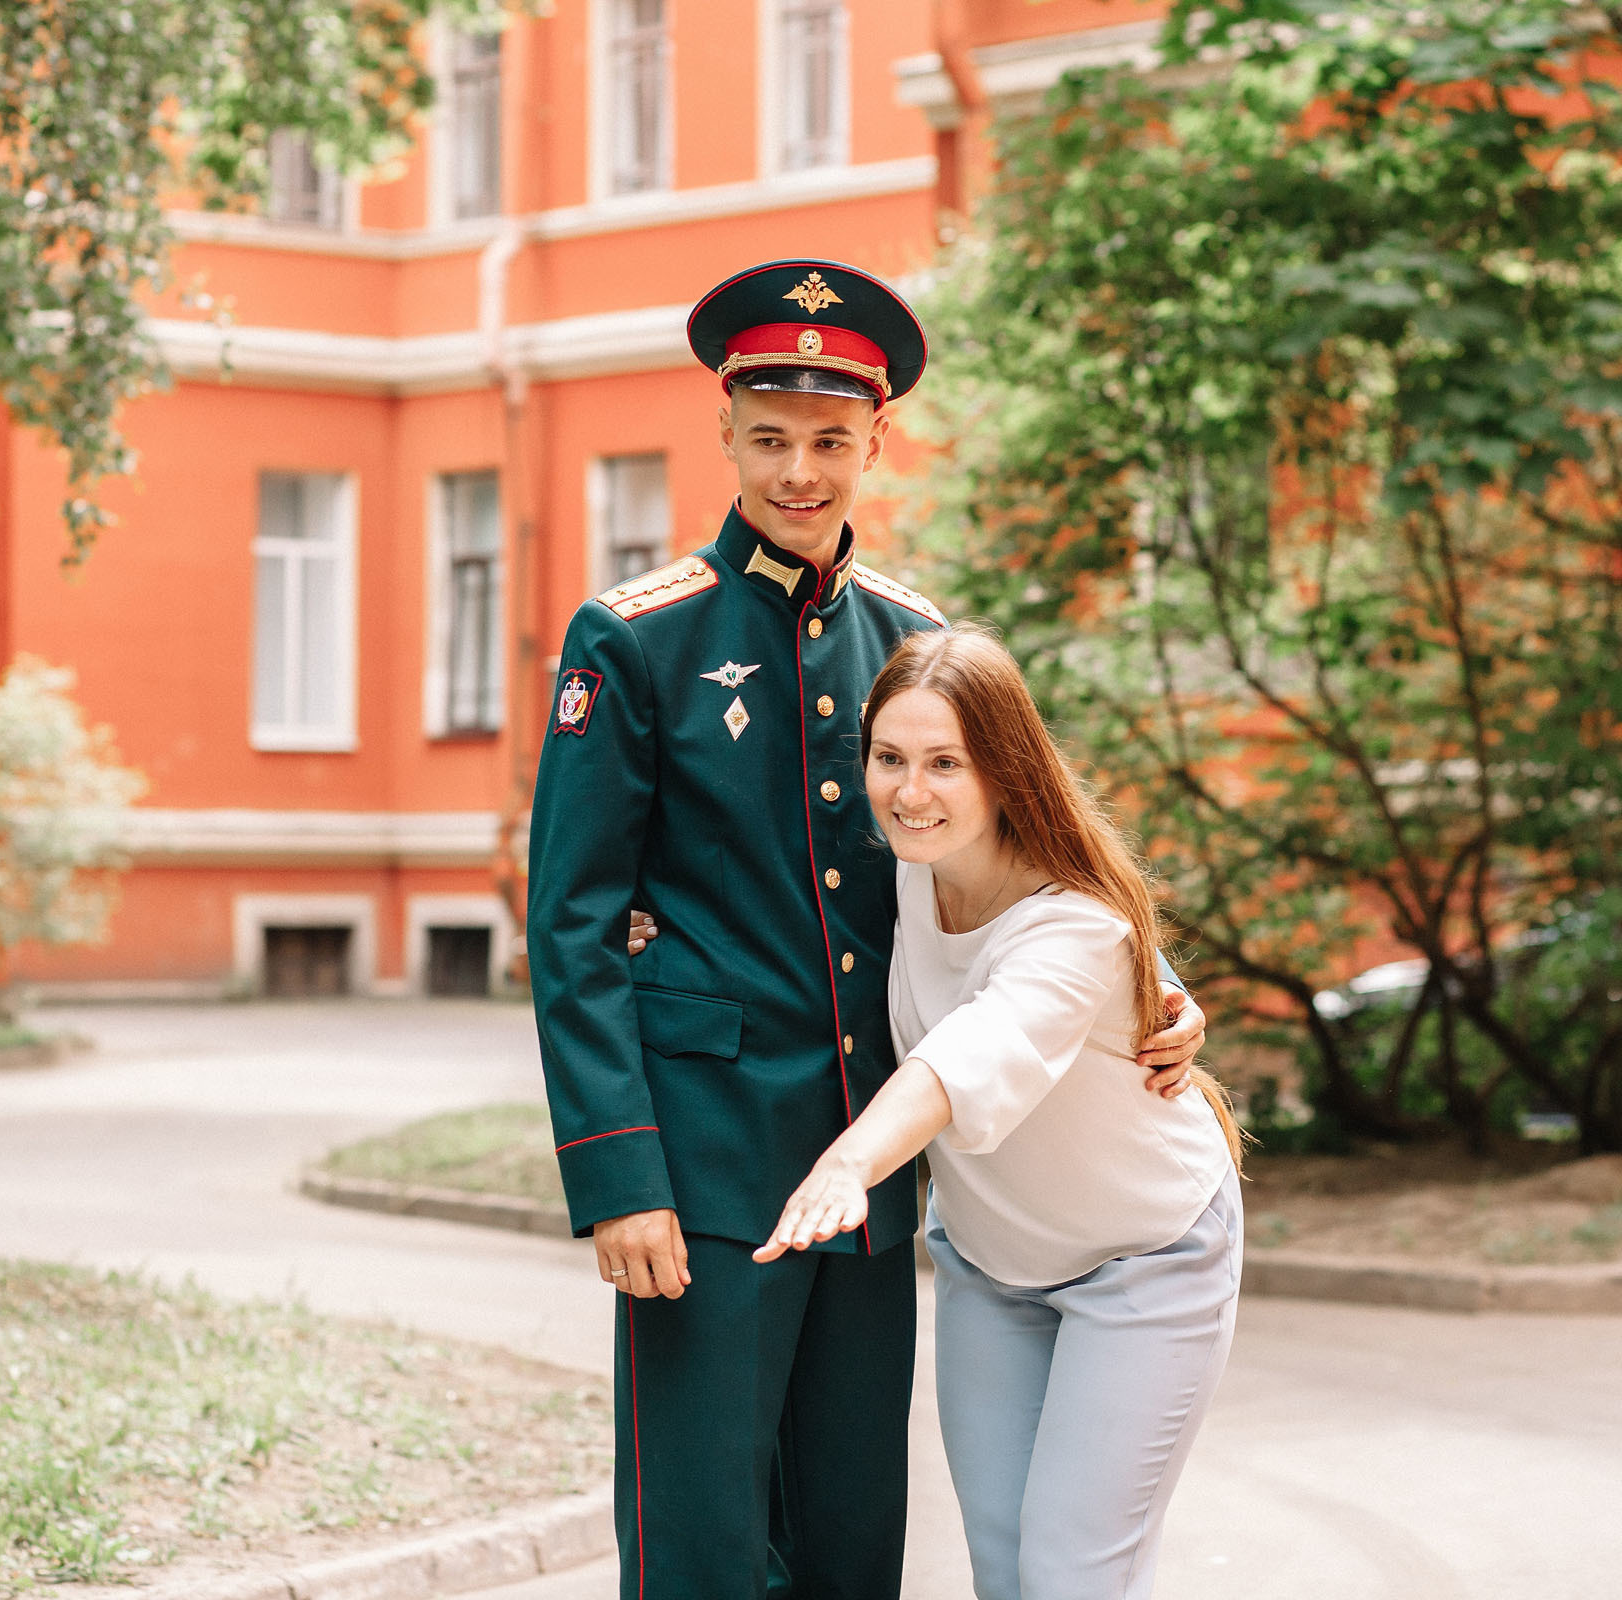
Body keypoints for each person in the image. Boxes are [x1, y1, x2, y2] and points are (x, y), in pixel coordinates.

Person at [526, 258, 1208, 1600]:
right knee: (707, 1546)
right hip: (707, 1172)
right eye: (770, 437)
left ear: (874, 441)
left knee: (852, 1539)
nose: (800, 469)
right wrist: (618, 1176)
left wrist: (1157, 985)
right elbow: (573, 927)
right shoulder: (635, 640)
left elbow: (1010, 848)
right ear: (724, 433)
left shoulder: (913, 638)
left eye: (830, 440)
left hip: (877, 1173)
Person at [755, 623, 1247, 1600]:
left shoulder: (1071, 922)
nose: (909, 790)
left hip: (1146, 1264)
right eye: (890, 759)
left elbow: (968, 1054)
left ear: (1005, 773)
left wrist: (852, 1161)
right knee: (1007, 1572)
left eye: (946, 763)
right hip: (991, 1269)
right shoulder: (903, 867)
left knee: (1070, 1577)